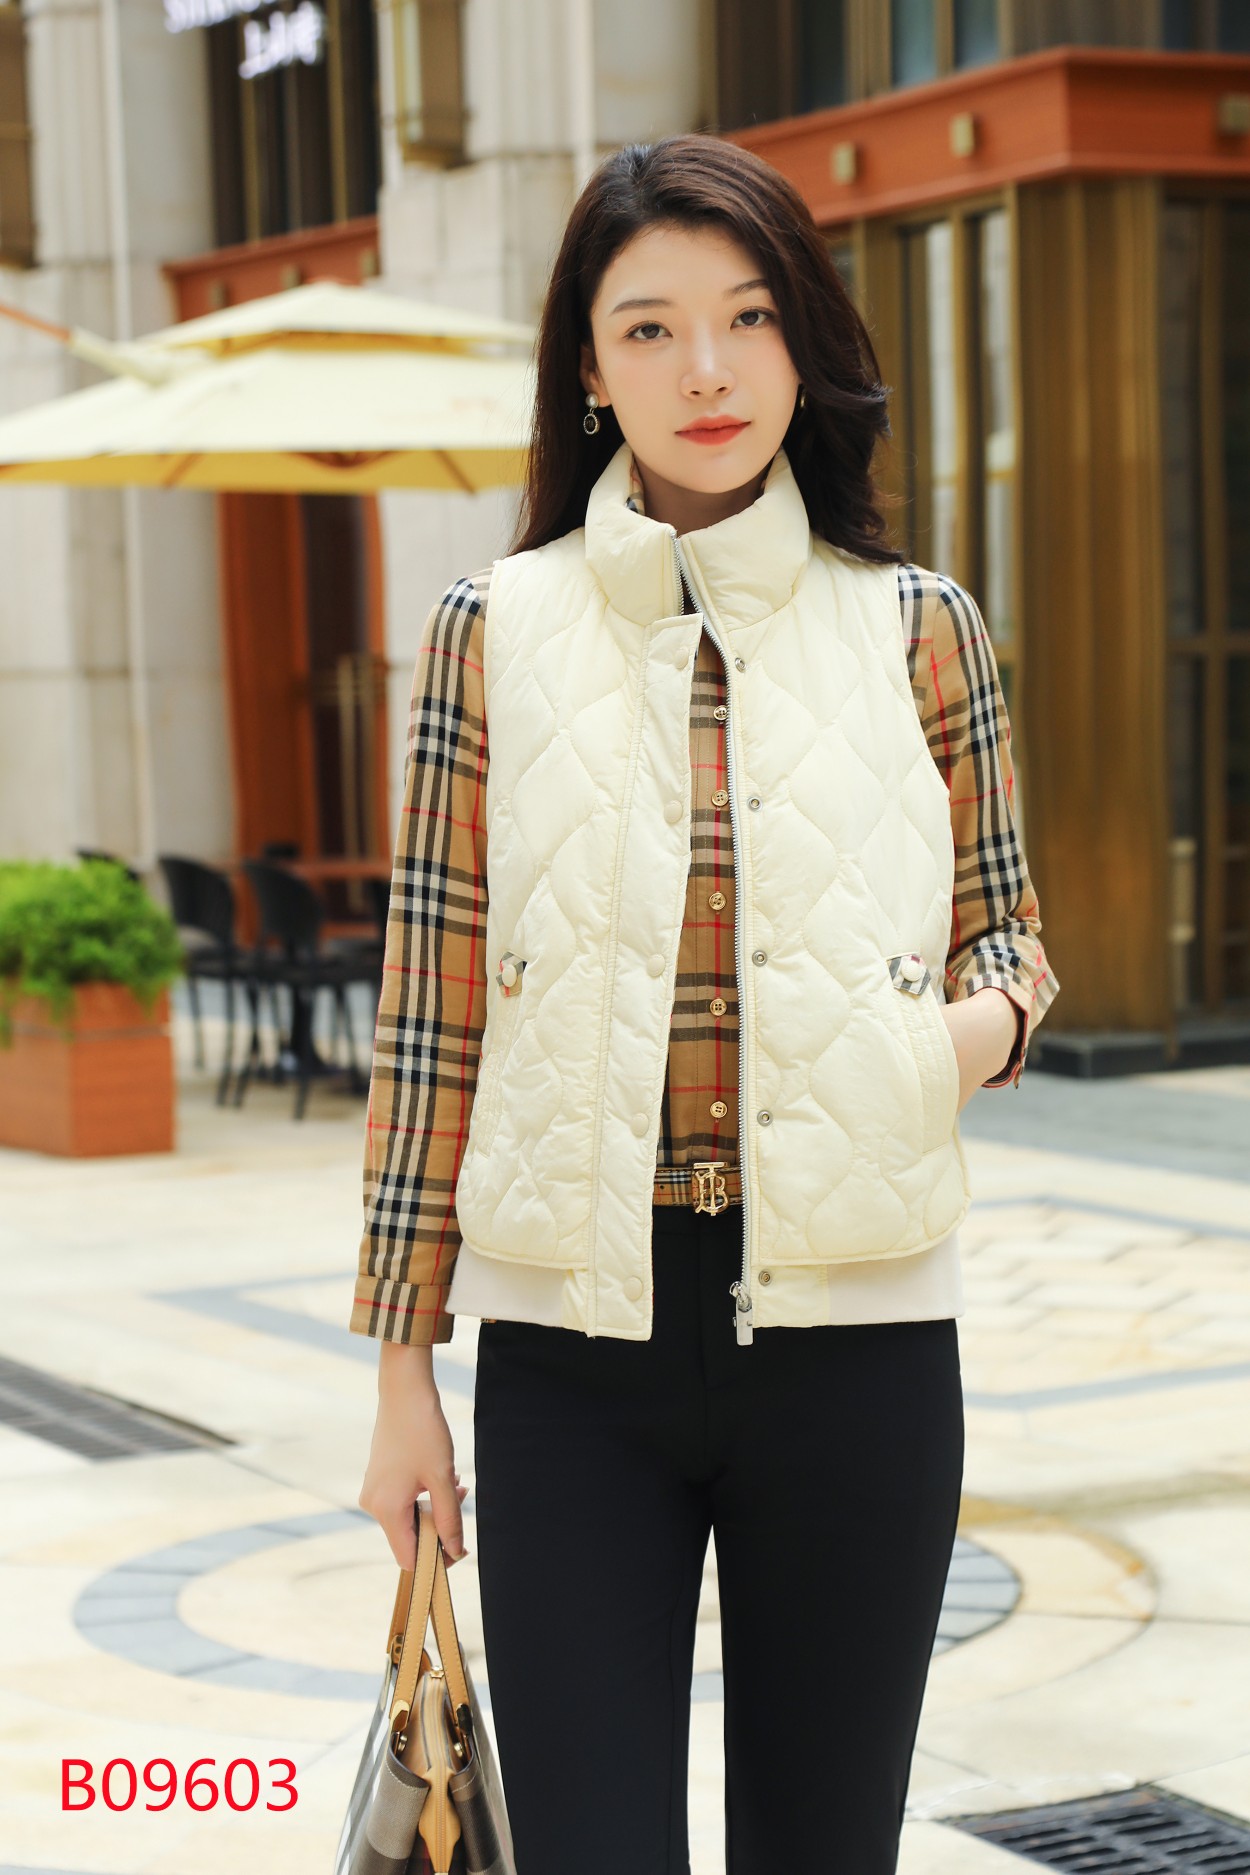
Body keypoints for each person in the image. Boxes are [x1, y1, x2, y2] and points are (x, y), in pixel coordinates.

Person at [352, 132, 1060, 1875]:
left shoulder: (918, 626)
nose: (708, 369)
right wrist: (400, 1375)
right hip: (569, 1366)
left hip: (858, 1350)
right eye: (649, 328)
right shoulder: (487, 630)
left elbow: (1009, 938)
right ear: (589, 372)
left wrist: (947, 1044)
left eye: (747, 316)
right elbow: (430, 1019)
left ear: (802, 339)